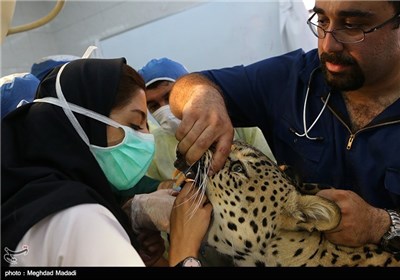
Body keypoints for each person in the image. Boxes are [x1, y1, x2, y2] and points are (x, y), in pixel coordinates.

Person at [169, 0, 400, 255]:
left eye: (353, 26)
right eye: (322, 21)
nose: (328, 44)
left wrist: (382, 225)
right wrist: (205, 98)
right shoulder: (293, 79)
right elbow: (188, 85)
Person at [1, 57, 212, 267]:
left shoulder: (24, 202)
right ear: (87, 124)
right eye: (134, 124)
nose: (147, 139)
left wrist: (128, 224)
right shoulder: (81, 221)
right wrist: (185, 250)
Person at [139, 57, 276, 182]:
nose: (165, 109)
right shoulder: (153, 150)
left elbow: (271, 165)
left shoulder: (228, 117)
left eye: (169, 97)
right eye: (153, 106)